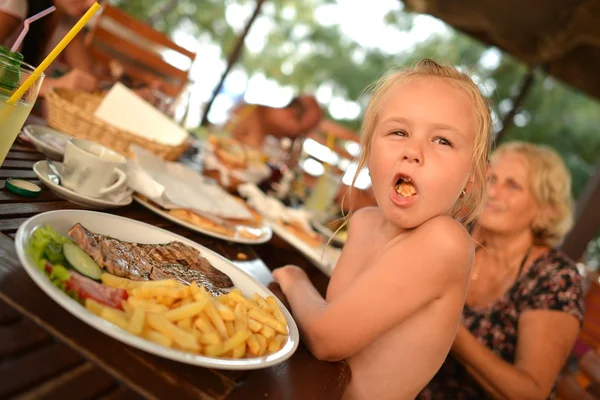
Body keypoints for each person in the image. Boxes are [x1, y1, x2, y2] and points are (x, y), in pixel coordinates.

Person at [271, 59, 493, 400]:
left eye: (443, 141)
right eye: (398, 132)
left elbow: (327, 339)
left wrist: (294, 278)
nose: (412, 152)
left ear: (474, 176)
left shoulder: (445, 241)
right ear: (369, 148)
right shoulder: (363, 222)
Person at [418, 141, 584, 400]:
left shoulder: (555, 278)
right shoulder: (458, 234)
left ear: (545, 209)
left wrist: (451, 329)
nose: (493, 192)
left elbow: (530, 392)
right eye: (492, 179)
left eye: (513, 185)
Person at [0, 0, 99, 96]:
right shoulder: (13, 4)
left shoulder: (67, 20)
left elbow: (88, 80)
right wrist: (53, 85)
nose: (92, 3)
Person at [226, 94, 322, 149]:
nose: (292, 138)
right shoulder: (248, 113)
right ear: (292, 113)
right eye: (300, 132)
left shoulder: (265, 133)